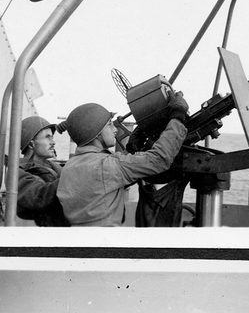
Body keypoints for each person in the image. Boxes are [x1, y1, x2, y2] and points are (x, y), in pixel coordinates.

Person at [55, 94, 189, 227]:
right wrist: (178, 117)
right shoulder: (106, 166)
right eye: (109, 125)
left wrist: (130, 150)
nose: (115, 129)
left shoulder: (69, 167)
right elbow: (158, 159)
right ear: (96, 133)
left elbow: (104, 182)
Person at [14, 115, 69, 228]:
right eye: (48, 137)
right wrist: (74, 175)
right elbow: (38, 196)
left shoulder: (54, 167)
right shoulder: (17, 171)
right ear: (31, 144)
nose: (53, 142)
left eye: (52, 137)